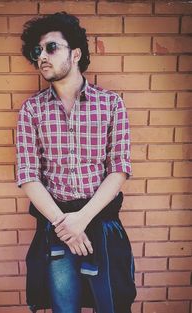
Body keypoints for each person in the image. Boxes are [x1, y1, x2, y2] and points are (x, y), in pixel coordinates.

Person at [16, 12, 136, 313]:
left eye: (51, 48)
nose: (42, 56)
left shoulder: (111, 104)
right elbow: (29, 175)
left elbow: (119, 169)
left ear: (77, 53)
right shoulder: (32, 110)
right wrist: (64, 224)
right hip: (57, 226)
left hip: (101, 220)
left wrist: (81, 219)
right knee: (63, 307)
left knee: (110, 305)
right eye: (37, 51)